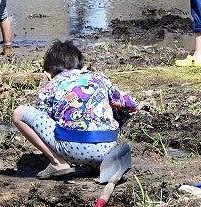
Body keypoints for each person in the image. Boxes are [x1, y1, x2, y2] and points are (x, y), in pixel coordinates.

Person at [12, 40, 139, 180]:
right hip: (108, 148)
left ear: (48, 74)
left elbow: (45, 120)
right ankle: (98, 163)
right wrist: (112, 121)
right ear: (83, 68)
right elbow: (131, 105)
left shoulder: (50, 85)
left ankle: (58, 163)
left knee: (19, 113)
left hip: (71, 149)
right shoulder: (100, 77)